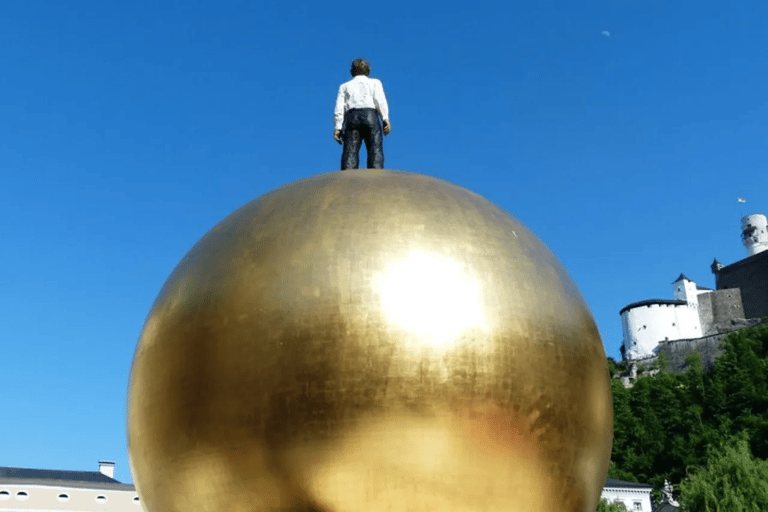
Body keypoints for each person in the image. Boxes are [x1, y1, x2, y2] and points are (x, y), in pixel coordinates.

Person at [333, 58, 391, 170]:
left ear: (352, 71)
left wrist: (338, 127)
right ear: (368, 70)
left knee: (350, 150)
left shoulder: (344, 86)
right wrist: (385, 118)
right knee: (375, 148)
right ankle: (376, 177)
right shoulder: (375, 82)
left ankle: (347, 179)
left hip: (352, 118)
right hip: (370, 117)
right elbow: (380, 101)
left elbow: (339, 108)